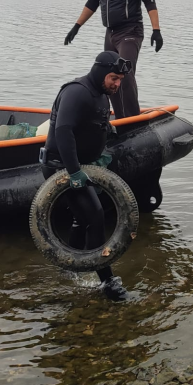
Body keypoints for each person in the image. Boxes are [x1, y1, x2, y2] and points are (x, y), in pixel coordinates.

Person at [41, 51, 133, 301]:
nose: (117, 84)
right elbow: (63, 131)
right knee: (95, 215)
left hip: (81, 164)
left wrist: (107, 131)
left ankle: (72, 268)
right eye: (114, 78)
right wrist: (73, 172)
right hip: (61, 166)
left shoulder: (102, 95)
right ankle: (107, 283)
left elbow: (92, 122)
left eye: (120, 80)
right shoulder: (77, 92)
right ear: (101, 72)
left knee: (83, 219)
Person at [64, 0, 163, 120]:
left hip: (130, 30)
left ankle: (133, 122)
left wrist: (156, 30)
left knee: (124, 75)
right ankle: (119, 119)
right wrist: (76, 27)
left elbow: (149, 0)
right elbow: (93, 1)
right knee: (109, 77)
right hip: (110, 32)